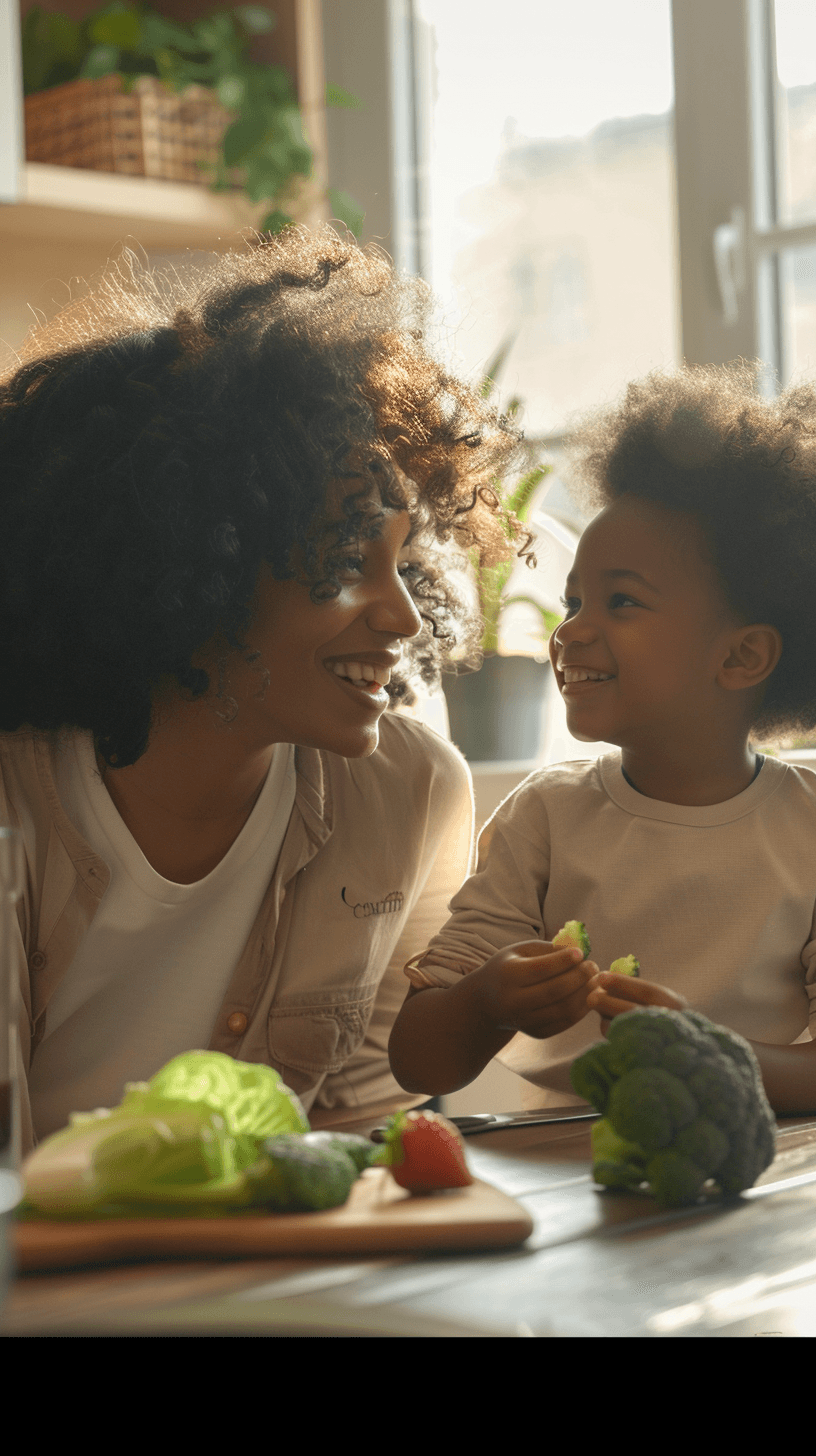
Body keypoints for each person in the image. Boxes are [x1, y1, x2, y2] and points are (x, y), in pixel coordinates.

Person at [0, 226, 526, 1154]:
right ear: (203, 560)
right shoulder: (18, 793)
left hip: (262, 1290)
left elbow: (358, 1143)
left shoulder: (406, 797)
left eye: (405, 563)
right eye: (347, 561)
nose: (404, 619)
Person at [389, 362, 816, 1115]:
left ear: (743, 655)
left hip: (752, 1181)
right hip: (564, 1180)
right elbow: (420, 1060)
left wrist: (703, 1053)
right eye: (575, 599)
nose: (572, 630)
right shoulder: (547, 818)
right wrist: (489, 999)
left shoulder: (807, 826)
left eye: (621, 601)